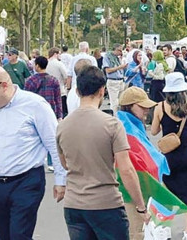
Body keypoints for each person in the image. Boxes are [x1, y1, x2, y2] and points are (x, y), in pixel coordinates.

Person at [0, 66, 66, 240]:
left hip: (27, 181)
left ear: (4, 85)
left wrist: (60, 179)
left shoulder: (35, 105)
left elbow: (53, 143)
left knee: (20, 234)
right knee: (3, 234)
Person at [57, 66, 149, 240]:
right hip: (106, 203)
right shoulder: (112, 125)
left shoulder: (62, 126)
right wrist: (140, 206)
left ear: (77, 91)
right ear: (102, 91)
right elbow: (126, 170)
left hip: (74, 203)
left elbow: (65, 163)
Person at [150, 73, 187, 240]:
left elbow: (154, 131)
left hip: (169, 158)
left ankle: (165, 228)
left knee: (167, 192)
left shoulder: (160, 107)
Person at [116, 87, 162, 239]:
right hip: (129, 192)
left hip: (130, 190)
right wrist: (141, 206)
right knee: (136, 232)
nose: (147, 110)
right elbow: (130, 167)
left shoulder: (130, 125)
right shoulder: (126, 128)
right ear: (129, 106)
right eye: (142, 106)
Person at [24, 56, 64, 121]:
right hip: (51, 112)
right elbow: (58, 99)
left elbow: (26, 99)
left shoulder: (30, 81)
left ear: (37, 66)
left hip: (35, 113)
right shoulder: (54, 80)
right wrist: (59, 116)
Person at [46, 48, 70, 117]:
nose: (60, 55)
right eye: (59, 54)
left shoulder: (46, 63)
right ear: (55, 54)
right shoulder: (59, 64)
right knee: (62, 113)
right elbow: (66, 76)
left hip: (48, 92)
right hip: (60, 91)